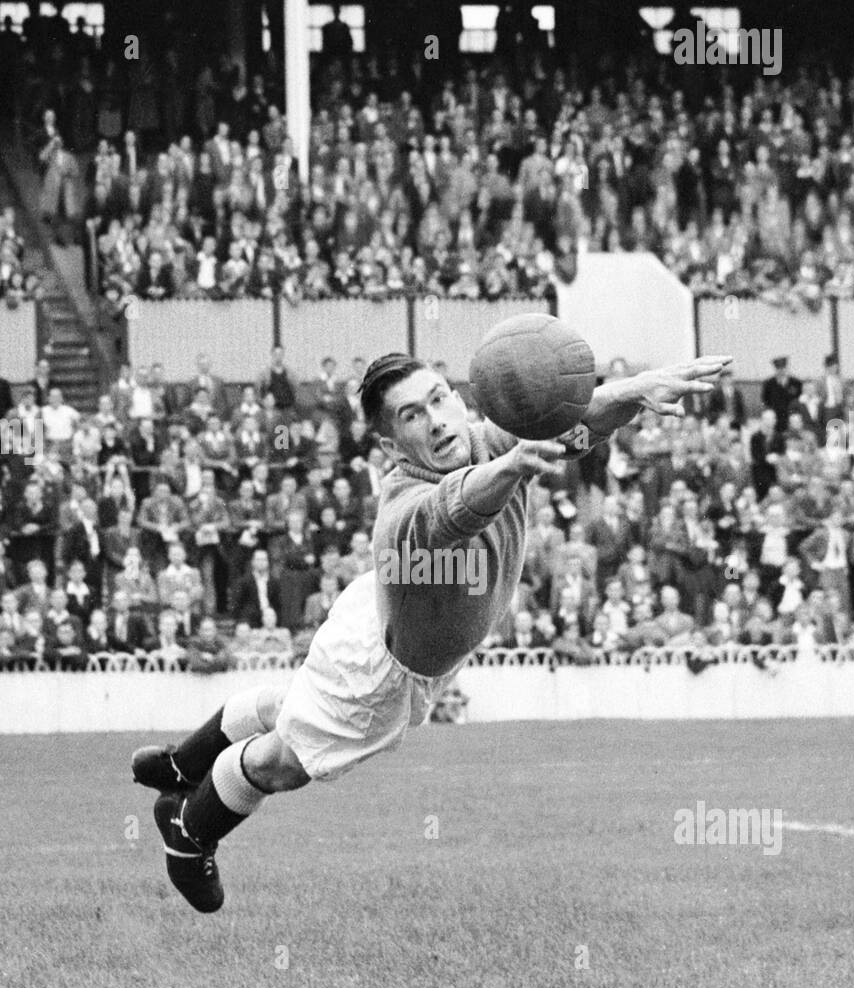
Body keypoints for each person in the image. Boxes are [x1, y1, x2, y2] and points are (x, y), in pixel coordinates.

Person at [132, 350, 730, 912]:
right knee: (288, 759)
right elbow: (452, 510)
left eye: (439, 399)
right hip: (385, 664)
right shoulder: (404, 503)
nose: (437, 422)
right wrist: (509, 467)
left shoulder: (487, 442)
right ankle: (189, 829)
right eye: (412, 416)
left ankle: (185, 763)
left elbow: (575, 421)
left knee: (291, 706)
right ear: (392, 443)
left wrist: (635, 390)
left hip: (379, 614)